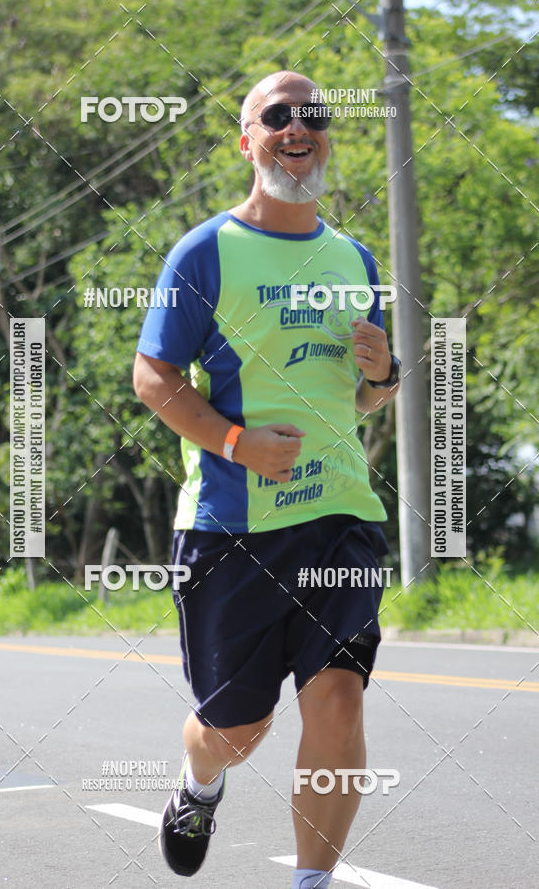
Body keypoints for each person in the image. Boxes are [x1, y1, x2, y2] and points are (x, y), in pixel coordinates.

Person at [133, 70, 401, 889]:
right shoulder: (207, 251)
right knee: (239, 730)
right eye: (276, 116)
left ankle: (311, 884)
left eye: (312, 116)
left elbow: (359, 396)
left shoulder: (355, 258)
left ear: (327, 137)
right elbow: (153, 376)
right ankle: (199, 779)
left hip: (341, 515)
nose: (298, 127)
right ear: (247, 140)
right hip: (230, 527)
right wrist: (236, 442)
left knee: (339, 700)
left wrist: (385, 375)